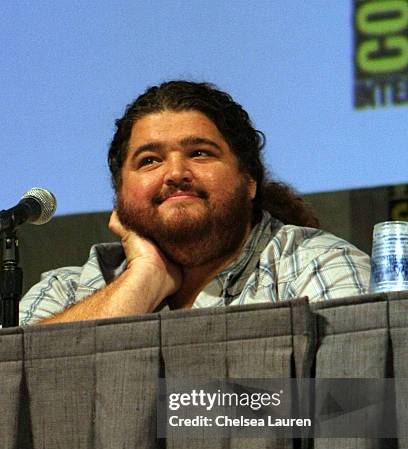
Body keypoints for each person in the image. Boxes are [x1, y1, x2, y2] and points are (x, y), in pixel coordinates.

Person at [19, 81, 370, 326]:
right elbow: (16, 398)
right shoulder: (64, 290)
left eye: (200, 153)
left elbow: (364, 409)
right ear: (119, 193)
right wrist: (143, 278)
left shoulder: (319, 265)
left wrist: (178, 409)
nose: (175, 173)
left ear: (249, 181)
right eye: (149, 160)